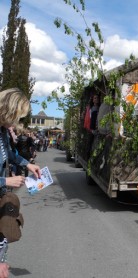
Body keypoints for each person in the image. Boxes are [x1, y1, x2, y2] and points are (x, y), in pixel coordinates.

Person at [0, 88, 42, 276]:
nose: (16, 121)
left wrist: (27, 165)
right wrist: (5, 180)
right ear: (7, 109)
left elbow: (8, 154)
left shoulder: (2, 131)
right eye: (16, 116)